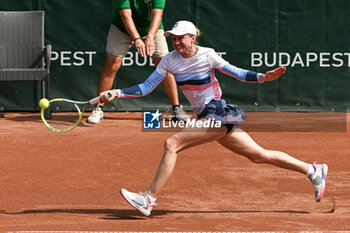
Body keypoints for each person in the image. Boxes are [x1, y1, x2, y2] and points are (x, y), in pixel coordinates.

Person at [99, 20, 328, 217]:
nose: (177, 42)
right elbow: (146, 87)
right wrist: (117, 92)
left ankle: (148, 199)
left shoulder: (208, 54)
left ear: (193, 37)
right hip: (207, 116)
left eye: (181, 38)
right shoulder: (169, 60)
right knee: (260, 155)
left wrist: (263, 77)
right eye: (173, 38)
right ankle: (313, 170)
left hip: (217, 113)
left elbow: (236, 72)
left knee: (172, 144)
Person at [87, 0, 190, 124]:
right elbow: (126, 15)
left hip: (152, 28)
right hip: (122, 29)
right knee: (112, 63)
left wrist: (150, 36)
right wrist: (137, 38)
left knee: (165, 65)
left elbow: (157, 14)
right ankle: (99, 107)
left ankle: (177, 109)